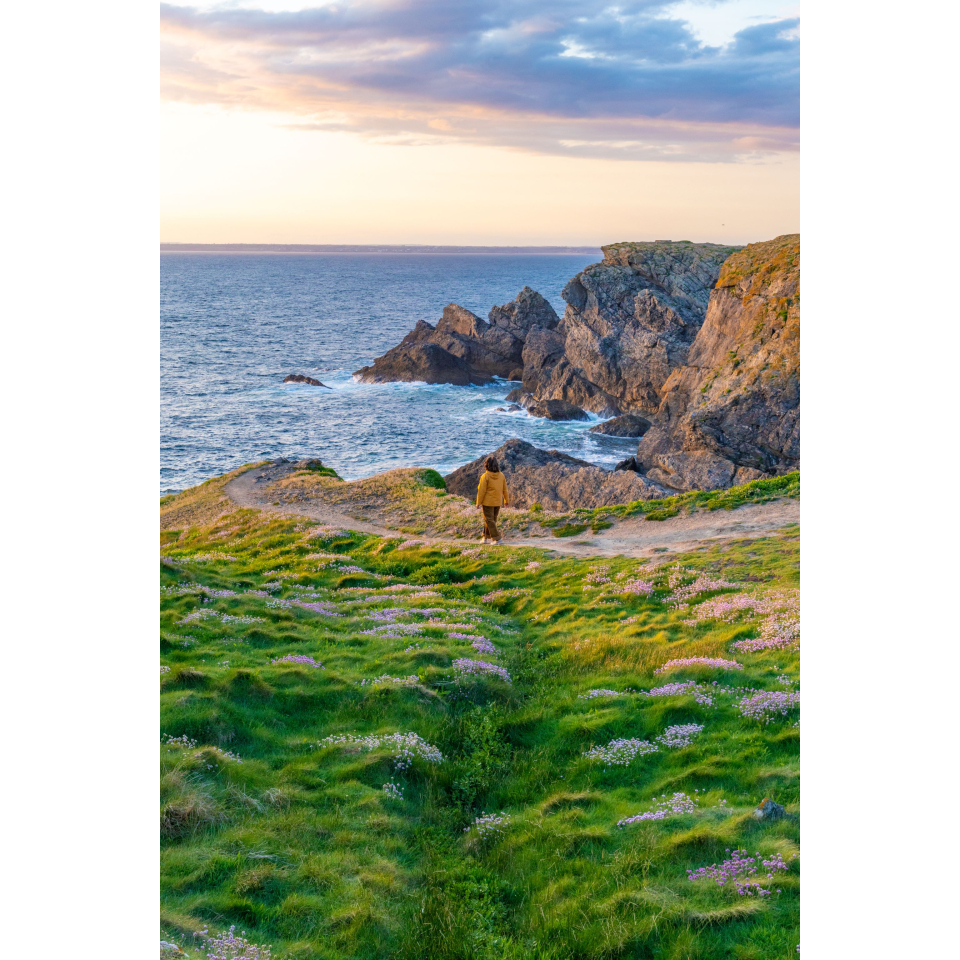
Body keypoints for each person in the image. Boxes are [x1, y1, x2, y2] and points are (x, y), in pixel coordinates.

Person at [476, 456, 509, 544]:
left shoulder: (485, 476)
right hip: (498, 502)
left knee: (489, 520)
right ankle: (485, 537)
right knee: (491, 520)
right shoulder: (501, 475)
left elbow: (481, 490)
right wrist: (506, 500)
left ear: (486, 465)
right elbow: (505, 489)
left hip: (487, 502)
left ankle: (497, 539)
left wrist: (478, 502)